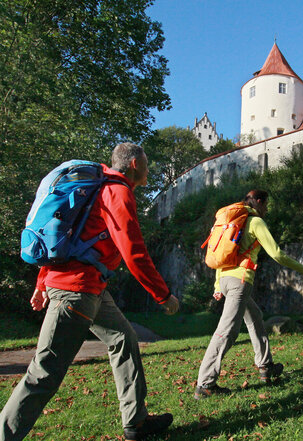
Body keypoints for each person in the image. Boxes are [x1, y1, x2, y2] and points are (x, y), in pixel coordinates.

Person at [0, 143, 179, 441]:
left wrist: (43, 281)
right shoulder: (117, 192)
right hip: (76, 291)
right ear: (134, 163)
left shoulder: (101, 189)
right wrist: (163, 295)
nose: (149, 169)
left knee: (123, 338)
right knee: (44, 371)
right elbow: (134, 252)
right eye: (146, 164)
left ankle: (135, 421)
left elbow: (71, 239)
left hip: (91, 287)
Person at [194, 189, 303, 399]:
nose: (266, 209)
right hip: (240, 282)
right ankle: (205, 384)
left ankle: (265, 366)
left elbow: (224, 257)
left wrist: (218, 285)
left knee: (254, 317)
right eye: (266, 205)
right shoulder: (255, 222)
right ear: (259, 202)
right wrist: (302, 269)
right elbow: (277, 254)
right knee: (227, 330)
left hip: (228, 280)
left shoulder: (235, 222)